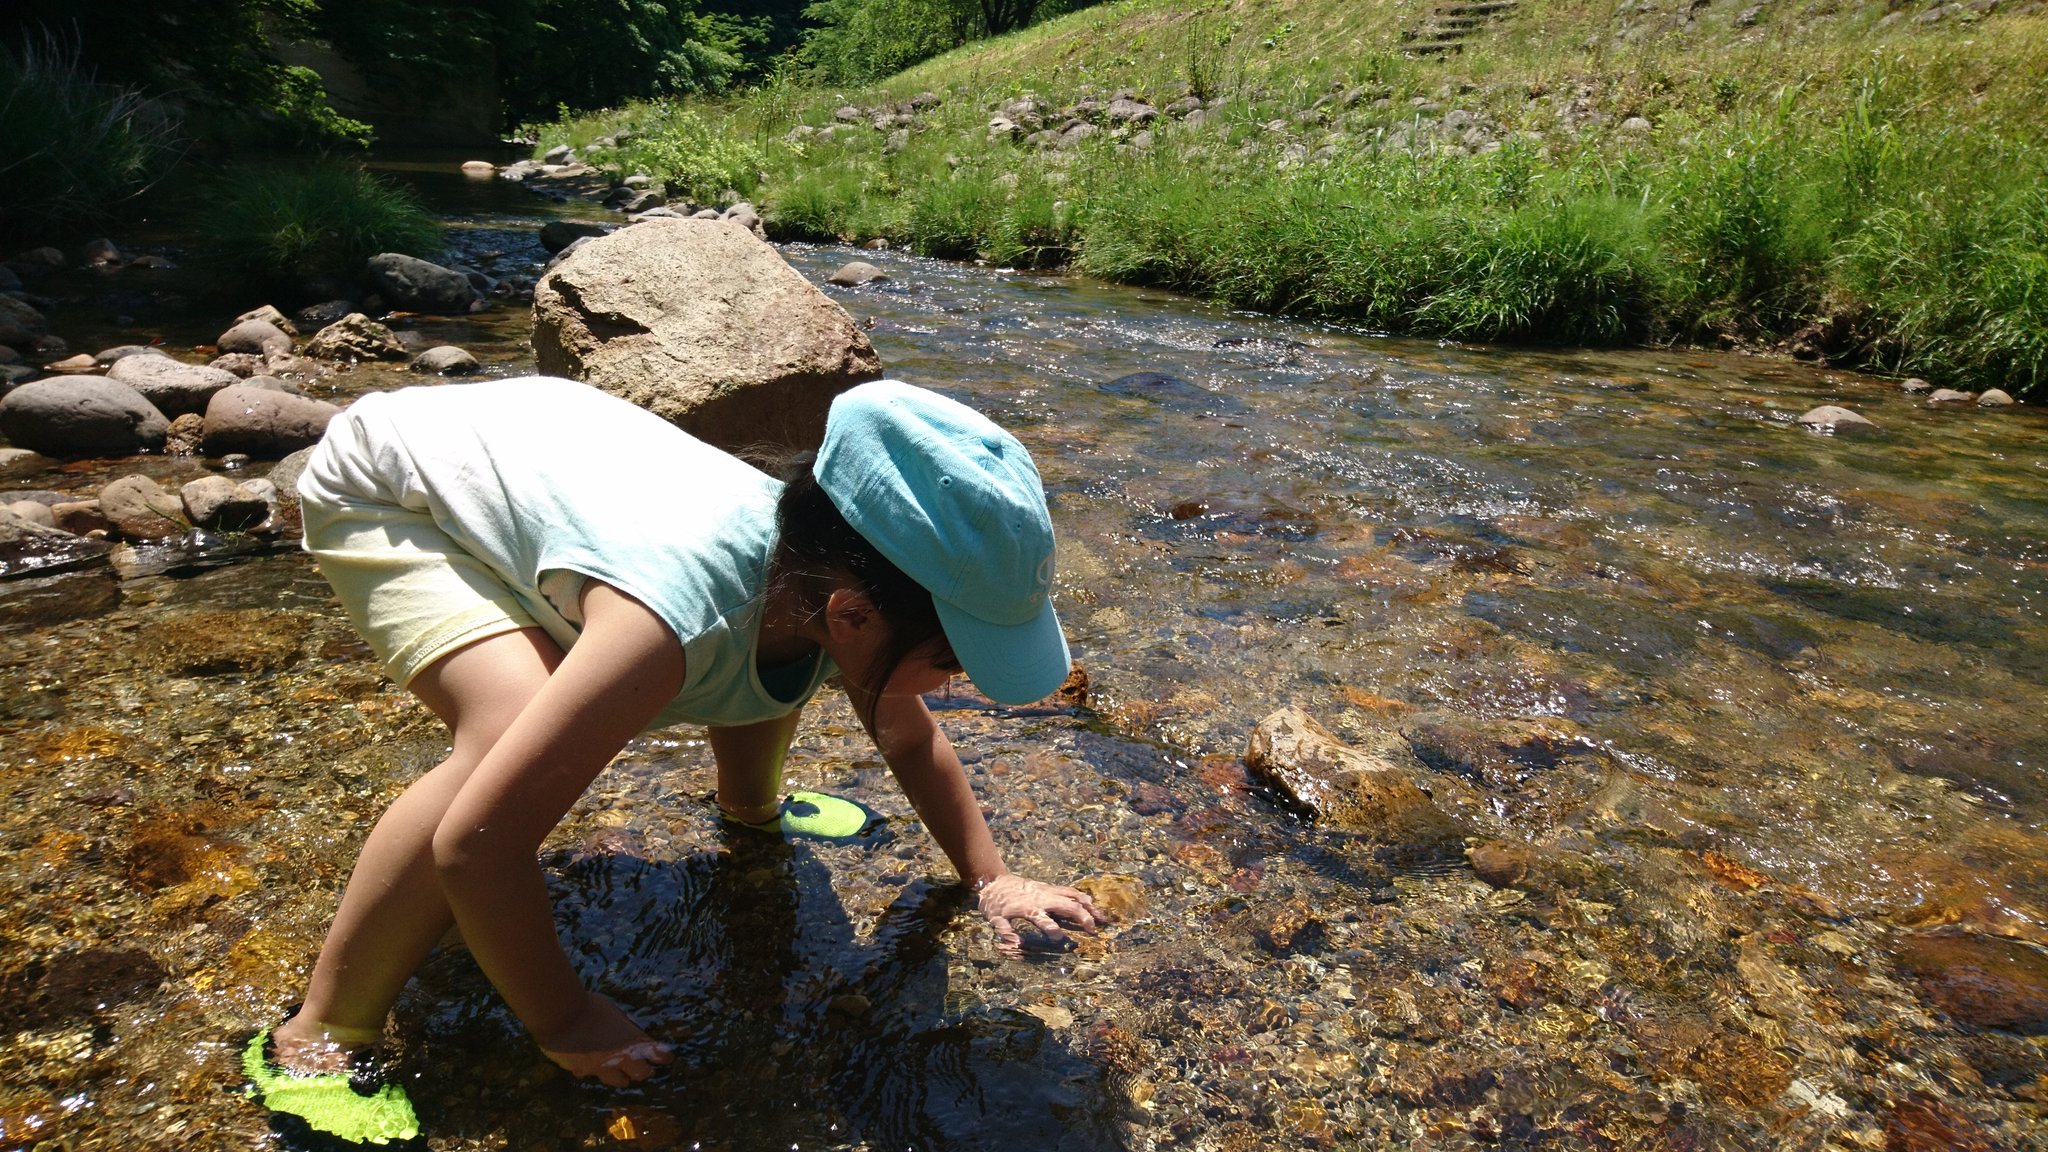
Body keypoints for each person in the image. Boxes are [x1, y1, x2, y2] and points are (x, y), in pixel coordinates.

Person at [243, 376, 1102, 1146]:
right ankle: (321, 1030)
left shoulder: (823, 566)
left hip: (552, 458)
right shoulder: (675, 622)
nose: (956, 684)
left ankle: (750, 810)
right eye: (950, 660)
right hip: (399, 486)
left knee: (769, 642)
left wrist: (993, 878)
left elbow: (906, 736)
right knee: (506, 735)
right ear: (852, 614)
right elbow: (476, 849)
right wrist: (565, 1017)